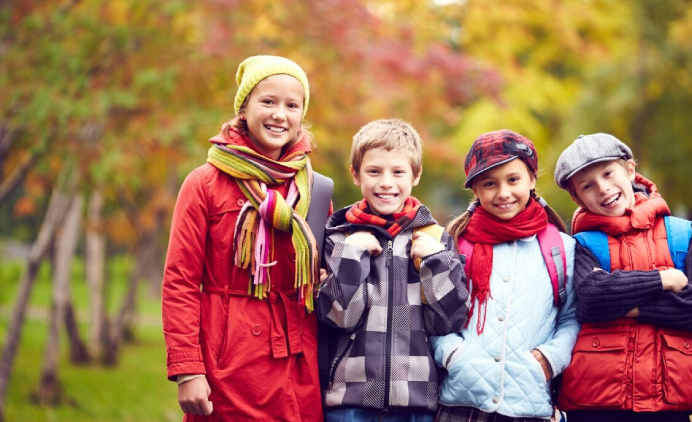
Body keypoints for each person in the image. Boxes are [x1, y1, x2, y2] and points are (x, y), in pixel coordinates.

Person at [162, 55, 332, 422]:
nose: (279, 115)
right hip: (228, 362)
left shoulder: (316, 190)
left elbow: (324, 279)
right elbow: (180, 282)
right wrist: (188, 369)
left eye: (292, 105)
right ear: (244, 108)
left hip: (297, 366)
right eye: (267, 101)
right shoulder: (204, 183)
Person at [553, 133, 692, 422]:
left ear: (630, 170)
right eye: (587, 185)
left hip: (668, 401)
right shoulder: (580, 245)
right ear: (577, 197)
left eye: (608, 173)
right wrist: (661, 279)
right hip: (597, 403)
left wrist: (631, 307)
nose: (603, 189)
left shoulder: (681, 234)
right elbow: (592, 298)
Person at [316, 118, 469, 422]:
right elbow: (339, 317)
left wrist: (436, 263)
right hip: (350, 401)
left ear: (416, 175)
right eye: (374, 171)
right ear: (356, 175)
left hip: (417, 402)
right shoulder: (339, 238)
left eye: (398, 172)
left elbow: (449, 321)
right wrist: (352, 255)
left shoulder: (436, 239)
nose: (386, 182)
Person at [430, 129, 580, 422]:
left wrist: (550, 360)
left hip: (528, 402)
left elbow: (571, 317)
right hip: (462, 401)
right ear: (475, 189)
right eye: (489, 183)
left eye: (513, 180)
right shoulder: (454, 243)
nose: (503, 193)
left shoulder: (561, 248)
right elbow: (434, 314)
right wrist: (454, 356)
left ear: (532, 179)